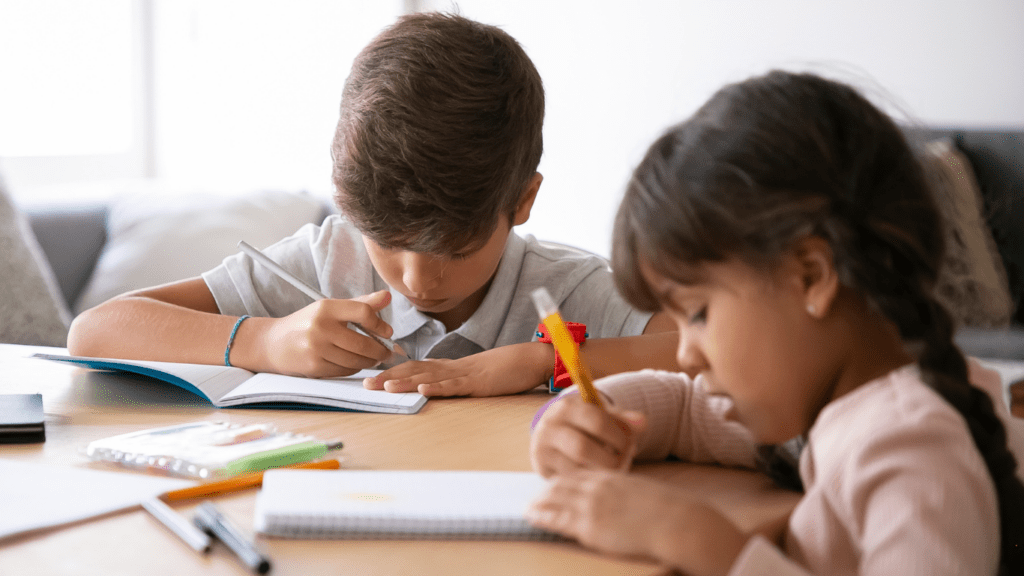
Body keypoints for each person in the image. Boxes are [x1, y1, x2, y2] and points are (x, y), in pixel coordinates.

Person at [526, 70, 1024, 575]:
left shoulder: (912, 452)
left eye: (698, 314)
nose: (685, 353)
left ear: (810, 276)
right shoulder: (836, 403)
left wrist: (704, 544)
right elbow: (682, 406)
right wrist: (580, 417)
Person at [67, 12, 677, 397]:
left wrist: (541, 363)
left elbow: (704, 354)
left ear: (522, 201)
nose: (417, 279)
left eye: (455, 248)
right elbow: (95, 331)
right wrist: (264, 341)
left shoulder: (566, 290)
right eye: (386, 240)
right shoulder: (326, 263)